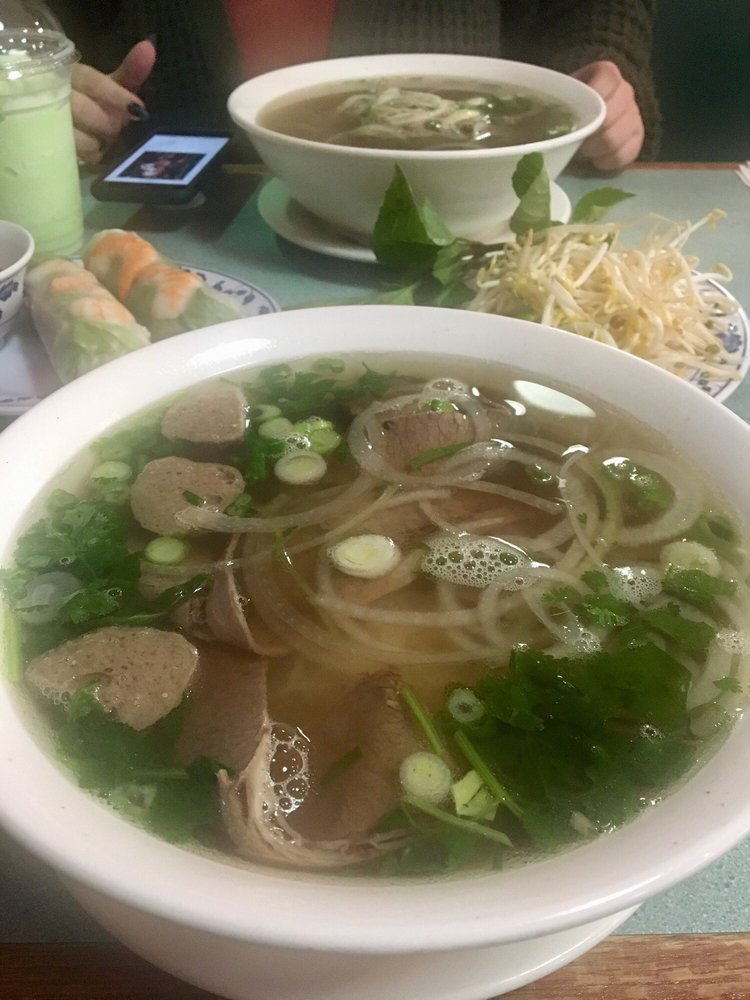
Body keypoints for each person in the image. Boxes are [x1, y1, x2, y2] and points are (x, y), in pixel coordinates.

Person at [49, 0, 659, 173]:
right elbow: (35, 26)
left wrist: (597, 79)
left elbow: (588, 11)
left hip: (481, 235)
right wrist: (42, 92)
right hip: (175, 228)